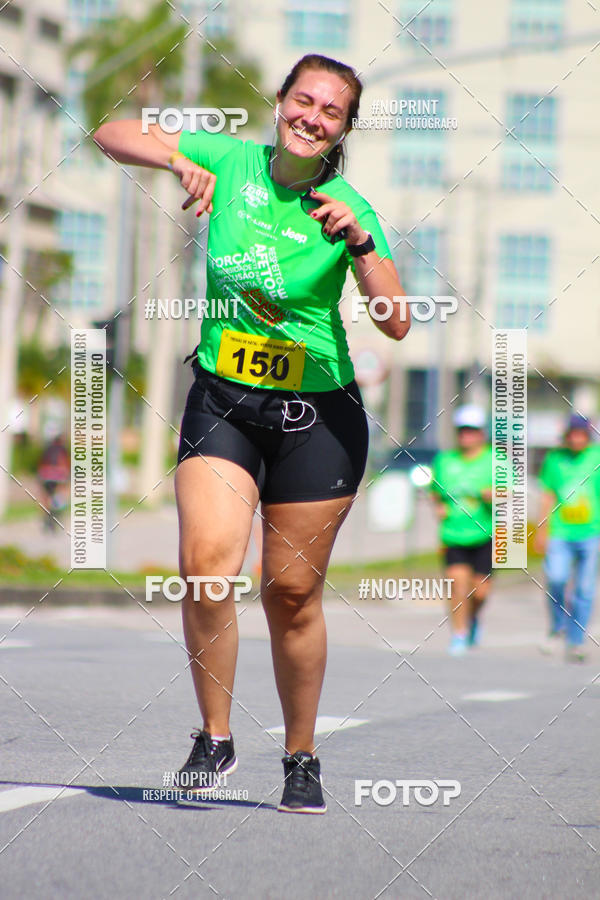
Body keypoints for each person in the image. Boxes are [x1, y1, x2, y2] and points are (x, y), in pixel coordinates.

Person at [94, 53, 410, 813]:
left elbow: (397, 322)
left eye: (331, 111)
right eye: (304, 100)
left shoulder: (349, 207)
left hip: (317, 417)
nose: (313, 117)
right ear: (279, 102)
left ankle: (301, 755)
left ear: (343, 129)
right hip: (223, 400)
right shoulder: (230, 159)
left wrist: (361, 246)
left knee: (291, 593)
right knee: (207, 567)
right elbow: (109, 132)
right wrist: (178, 162)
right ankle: (215, 735)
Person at [534, 414, 600, 663]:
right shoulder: (554, 459)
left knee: (584, 589)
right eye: (572, 433)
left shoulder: (596, 458)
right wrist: (542, 529)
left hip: (591, 532)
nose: (576, 438)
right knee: (557, 578)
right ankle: (557, 624)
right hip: (561, 531)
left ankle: (576, 640)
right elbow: (547, 496)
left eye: (581, 434)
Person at [430, 405, 493, 656]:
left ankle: (473, 618)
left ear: (481, 433)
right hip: (453, 534)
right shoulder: (445, 460)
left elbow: (511, 493)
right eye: (462, 431)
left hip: (485, 534)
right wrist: (438, 507)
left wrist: (494, 495)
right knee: (458, 586)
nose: (466, 436)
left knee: (480, 592)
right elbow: (435, 491)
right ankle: (459, 634)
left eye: (472, 431)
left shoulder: (495, 460)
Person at [37, 433, 70, 532]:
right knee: (61, 494)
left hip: (46, 475)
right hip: (58, 476)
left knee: (45, 497)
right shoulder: (63, 450)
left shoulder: (47, 450)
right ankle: (56, 513)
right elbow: (65, 464)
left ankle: (46, 518)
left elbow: (41, 464)